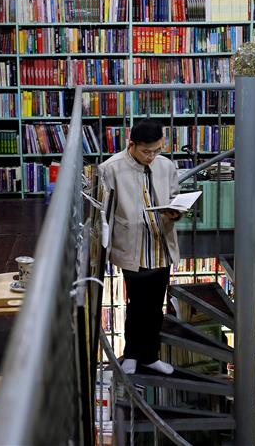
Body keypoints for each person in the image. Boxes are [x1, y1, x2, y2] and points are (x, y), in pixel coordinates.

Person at [98, 119, 181, 376]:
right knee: (137, 303)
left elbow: (175, 196)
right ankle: (132, 353)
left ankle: (150, 355)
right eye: (147, 151)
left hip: (161, 244)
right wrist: (103, 249)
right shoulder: (110, 169)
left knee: (156, 304)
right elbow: (103, 213)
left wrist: (176, 212)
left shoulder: (165, 165)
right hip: (132, 245)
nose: (152, 156)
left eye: (157, 150)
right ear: (131, 144)